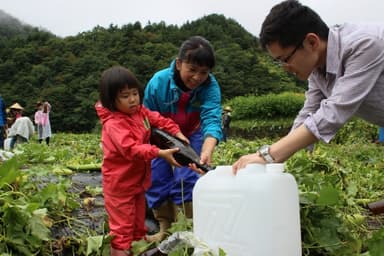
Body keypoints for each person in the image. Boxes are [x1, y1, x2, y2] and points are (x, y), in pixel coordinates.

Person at [232, 0, 384, 173]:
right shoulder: (318, 69)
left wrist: (267, 155)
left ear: (312, 42)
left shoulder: (364, 44)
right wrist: (278, 165)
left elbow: (334, 112)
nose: (285, 68)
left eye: (285, 59)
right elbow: (308, 115)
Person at [95, 66, 190, 256]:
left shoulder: (140, 112)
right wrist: (159, 152)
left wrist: (177, 132)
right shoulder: (114, 124)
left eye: (134, 93)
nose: (132, 99)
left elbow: (159, 120)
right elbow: (130, 149)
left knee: (139, 227)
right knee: (121, 231)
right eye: (124, 96)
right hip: (120, 185)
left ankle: (138, 251)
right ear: (111, 100)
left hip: (138, 182)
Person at [143, 35, 223, 242]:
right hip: (162, 134)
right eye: (192, 70)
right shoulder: (158, 83)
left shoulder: (210, 87)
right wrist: (160, 151)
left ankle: (188, 226)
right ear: (179, 64)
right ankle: (165, 228)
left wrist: (207, 149)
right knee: (157, 176)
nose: (197, 77)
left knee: (188, 176)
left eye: (204, 72)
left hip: (193, 132)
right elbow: (146, 120)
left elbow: (212, 119)